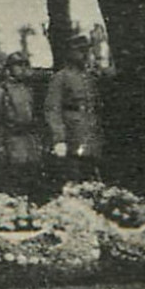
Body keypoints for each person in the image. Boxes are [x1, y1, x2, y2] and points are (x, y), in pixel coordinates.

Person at [0, 51, 41, 195]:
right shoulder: (0, 91)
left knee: (32, 182)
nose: (23, 68)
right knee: (13, 185)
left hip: (30, 142)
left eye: (26, 64)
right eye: (19, 65)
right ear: (9, 69)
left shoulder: (28, 89)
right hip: (11, 141)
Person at [45, 34, 102, 183]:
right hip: (72, 136)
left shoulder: (90, 77)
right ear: (70, 53)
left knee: (92, 178)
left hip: (91, 134)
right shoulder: (60, 77)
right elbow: (53, 109)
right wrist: (59, 139)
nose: (84, 54)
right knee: (74, 178)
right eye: (80, 50)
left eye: (86, 50)